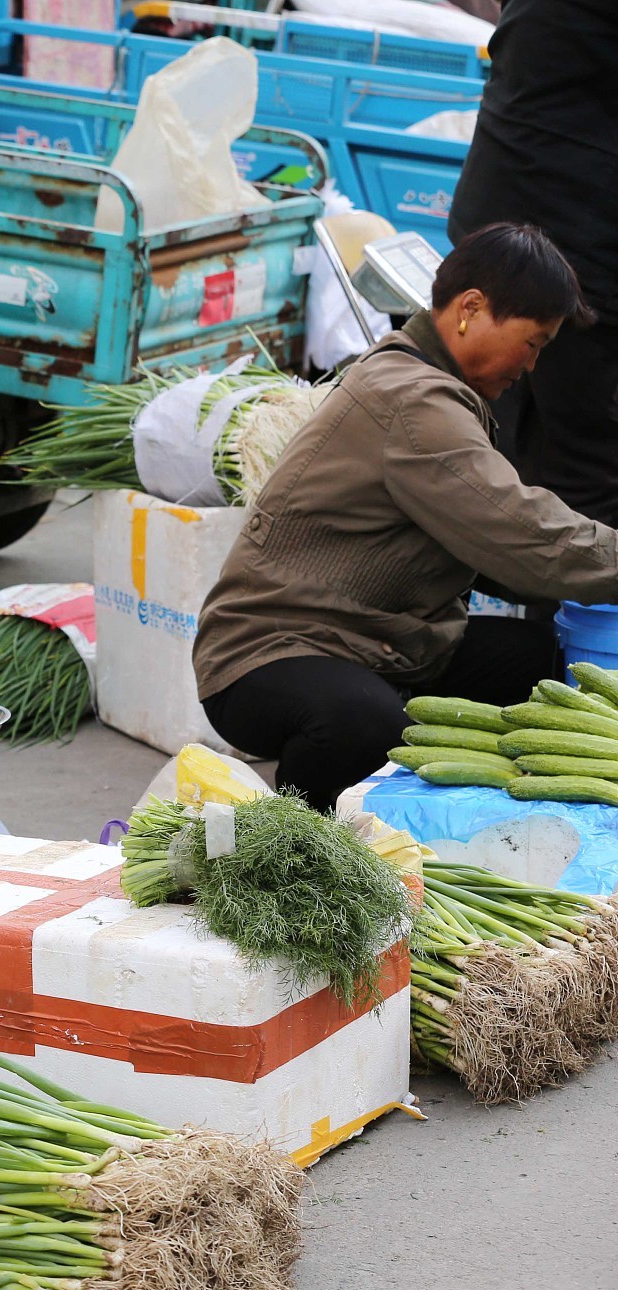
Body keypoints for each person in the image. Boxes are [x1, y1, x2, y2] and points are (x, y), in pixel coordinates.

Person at [193, 223, 618, 812]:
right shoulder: (414, 401)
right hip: (273, 650)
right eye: (533, 342)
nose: (531, 365)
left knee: (543, 662)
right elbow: (522, 531)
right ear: (472, 309)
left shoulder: (428, 382)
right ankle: (294, 847)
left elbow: (496, 545)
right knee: (365, 724)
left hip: (383, 638)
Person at [448, 0, 618, 526]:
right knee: (583, 462)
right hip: (571, 242)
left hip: (508, 209)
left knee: (506, 435)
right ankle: (576, 606)